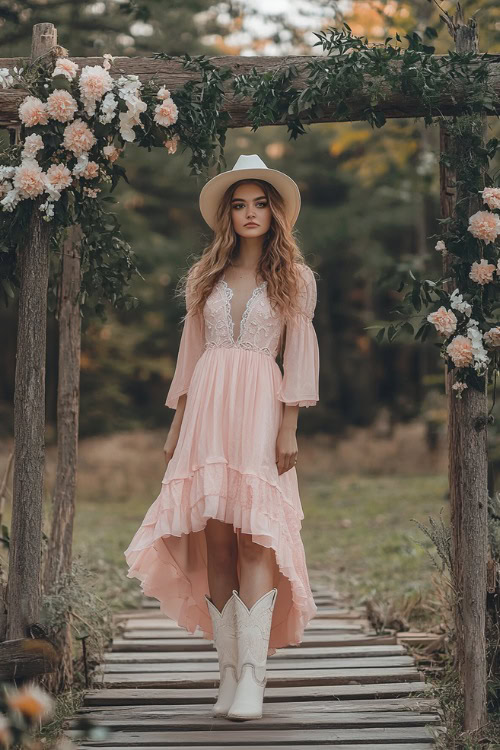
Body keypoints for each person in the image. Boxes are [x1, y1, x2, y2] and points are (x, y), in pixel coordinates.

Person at [124, 153, 320, 721]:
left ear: (275, 213)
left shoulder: (294, 279)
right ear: (226, 216)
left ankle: (254, 680)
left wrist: (289, 426)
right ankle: (228, 672)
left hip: (260, 408)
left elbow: (301, 357)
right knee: (215, 541)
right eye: (240, 205)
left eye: (260, 204)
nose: (250, 213)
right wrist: (176, 425)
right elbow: (190, 359)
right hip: (207, 412)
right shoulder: (204, 276)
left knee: (256, 537)